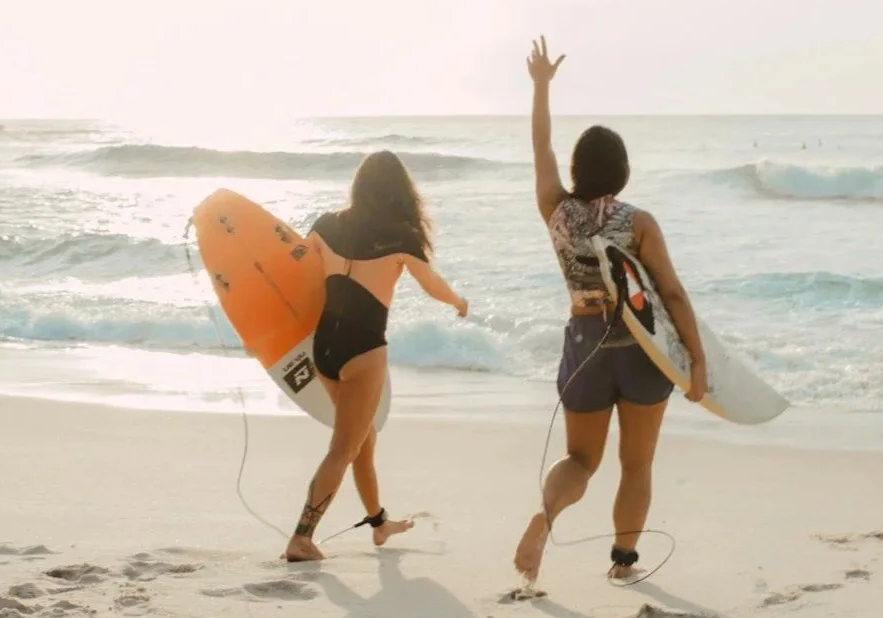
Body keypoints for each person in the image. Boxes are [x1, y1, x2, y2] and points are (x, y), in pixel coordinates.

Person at [513, 37, 707, 586]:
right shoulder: (638, 221)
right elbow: (670, 293)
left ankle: (546, 518)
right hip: (640, 350)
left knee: (581, 460)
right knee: (636, 463)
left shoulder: (556, 210)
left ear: (577, 170)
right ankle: (623, 564)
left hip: (584, 344)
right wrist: (697, 360)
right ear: (623, 171)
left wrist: (541, 87)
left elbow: (540, 148)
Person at [284, 151, 468, 563]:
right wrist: (460, 302)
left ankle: (378, 523)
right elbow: (432, 284)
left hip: (324, 349)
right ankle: (301, 536)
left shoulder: (326, 224)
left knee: (363, 439)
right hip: (363, 351)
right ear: (401, 190)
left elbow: (294, 267)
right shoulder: (400, 236)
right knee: (343, 448)